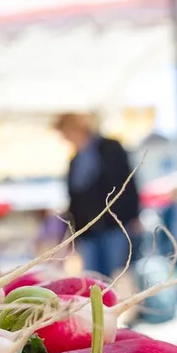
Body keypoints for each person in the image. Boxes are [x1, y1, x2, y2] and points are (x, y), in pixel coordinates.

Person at [54, 113, 141, 277]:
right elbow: (74, 199)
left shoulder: (110, 148)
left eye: (66, 133)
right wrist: (72, 232)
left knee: (117, 275)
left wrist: (134, 215)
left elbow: (128, 183)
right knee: (93, 278)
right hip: (87, 231)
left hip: (114, 224)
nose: (65, 138)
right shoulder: (75, 160)